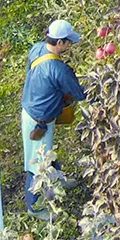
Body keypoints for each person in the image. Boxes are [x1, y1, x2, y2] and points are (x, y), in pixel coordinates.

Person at [21, 19, 85, 215]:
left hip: (29, 111)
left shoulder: (37, 49)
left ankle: (58, 179)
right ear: (59, 42)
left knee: (46, 153)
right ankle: (35, 207)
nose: (70, 45)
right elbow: (79, 93)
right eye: (68, 42)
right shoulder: (59, 70)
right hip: (40, 122)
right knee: (37, 165)